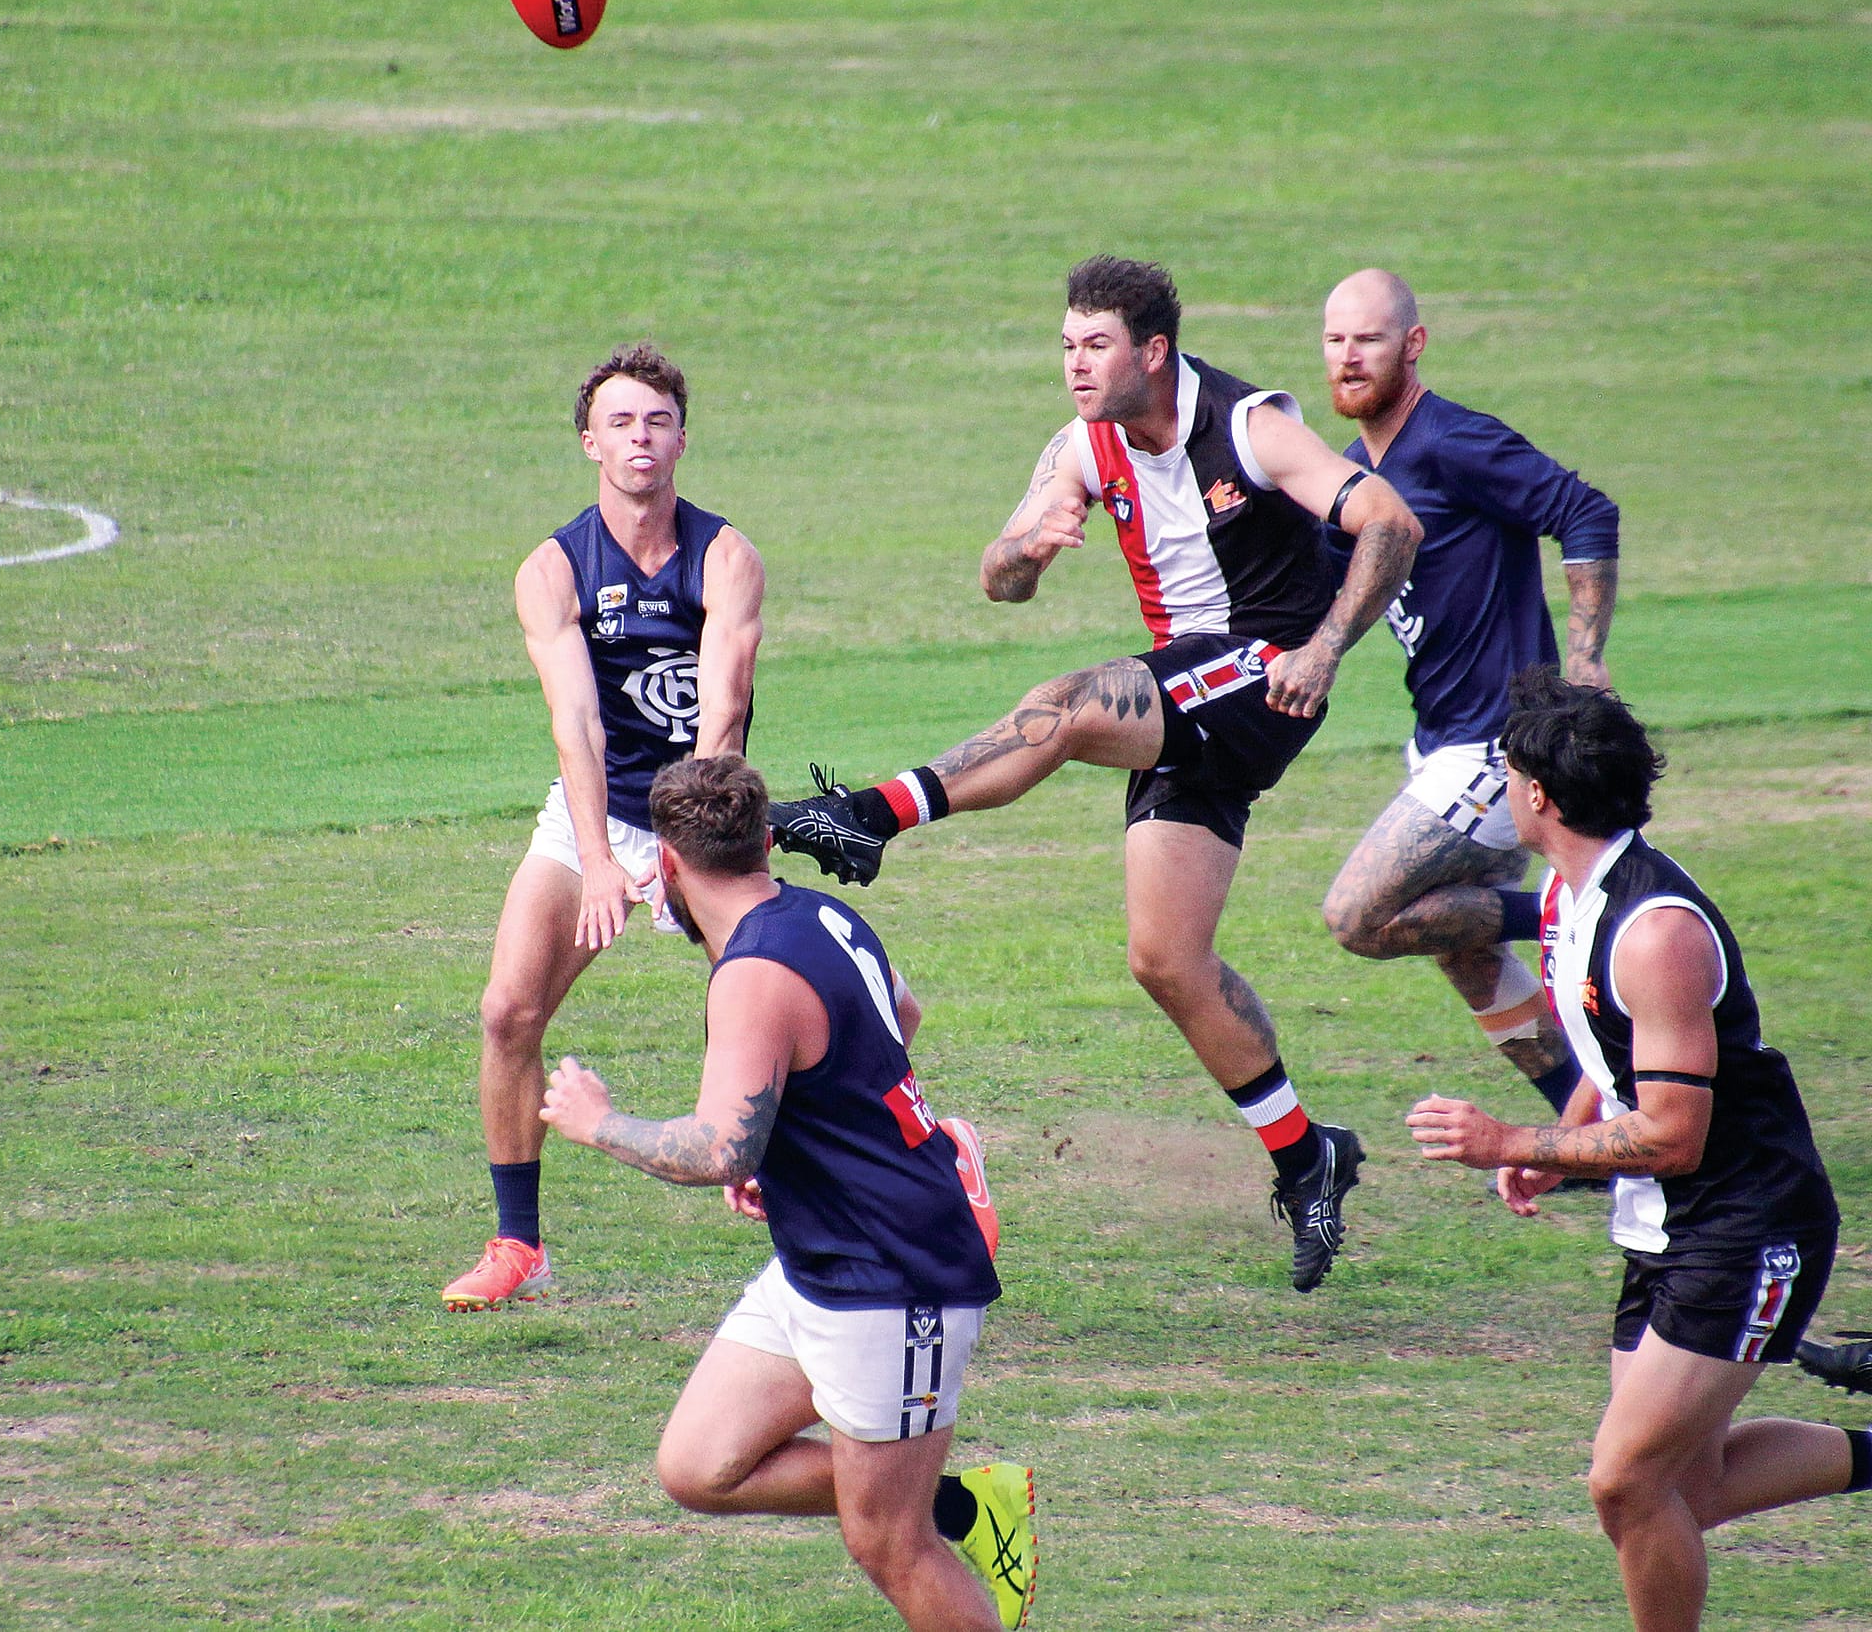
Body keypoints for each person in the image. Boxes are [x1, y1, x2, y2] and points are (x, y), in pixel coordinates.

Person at [770, 255, 1423, 1291]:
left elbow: (1389, 522)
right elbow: (997, 576)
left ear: (1152, 352)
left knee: (1071, 705)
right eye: (1066, 346)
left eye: (1096, 347)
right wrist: (1024, 549)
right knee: (1166, 960)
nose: (1075, 366)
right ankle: (1308, 1157)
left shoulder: (1247, 427)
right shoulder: (1081, 443)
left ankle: (865, 816)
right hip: (1191, 699)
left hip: (1261, 669)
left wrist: (1324, 649)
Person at [1406, 671, 1868, 1632]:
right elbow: (1602, 1047)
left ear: (1539, 794)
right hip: (1671, 1224)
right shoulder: (1574, 896)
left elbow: (1671, 1132)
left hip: (1749, 1222)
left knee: (1626, 1486)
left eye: (1508, 769)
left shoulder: (1654, 932)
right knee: (1680, 1491)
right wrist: (1564, 1141)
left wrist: (1509, 1137)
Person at [539, 755, 1038, 1632]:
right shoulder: (820, 913)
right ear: (765, 841)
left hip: (896, 1279)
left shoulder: (753, 973)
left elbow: (719, 1149)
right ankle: (950, 1497)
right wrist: (797, 1156)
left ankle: (919, 1504)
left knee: (888, 1543)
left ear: (668, 863)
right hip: (819, 1264)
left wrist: (597, 1123)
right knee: (699, 1466)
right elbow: (900, 1016)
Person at [441, 344, 765, 1311]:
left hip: (706, 818)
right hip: (594, 814)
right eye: (621, 422)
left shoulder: (726, 556)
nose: (641, 438)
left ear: (681, 439)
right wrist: (595, 860)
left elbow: (725, 715)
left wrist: (686, 845)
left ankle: (861, 1182)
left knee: (778, 1016)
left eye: (658, 421)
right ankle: (517, 1245)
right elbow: (574, 723)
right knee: (508, 1012)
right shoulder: (552, 568)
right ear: (590, 441)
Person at [1318, 269, 1620, 1114]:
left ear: (1411, 345)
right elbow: (1312, 589)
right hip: (1439, 742)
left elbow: (1585, 510)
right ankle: (1589, 1123)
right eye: (1336, 340)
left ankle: (1569, 909)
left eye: (1368, 339)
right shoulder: (1353, 474)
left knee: (1357, 918)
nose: (1349, 357)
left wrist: (1587, 661)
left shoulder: (1454, 442)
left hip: (1501, 742)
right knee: (1463, 941)